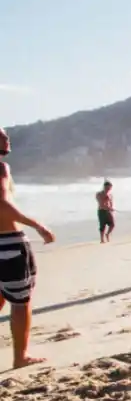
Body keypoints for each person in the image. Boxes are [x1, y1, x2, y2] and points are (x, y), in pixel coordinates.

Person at [0, 127, 55, 369]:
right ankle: (20, 357)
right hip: (9, 241)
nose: (6, 138)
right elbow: (2, 203)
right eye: (1, 135)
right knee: (21, 302)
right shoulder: (1, 168)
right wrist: (38, 225)